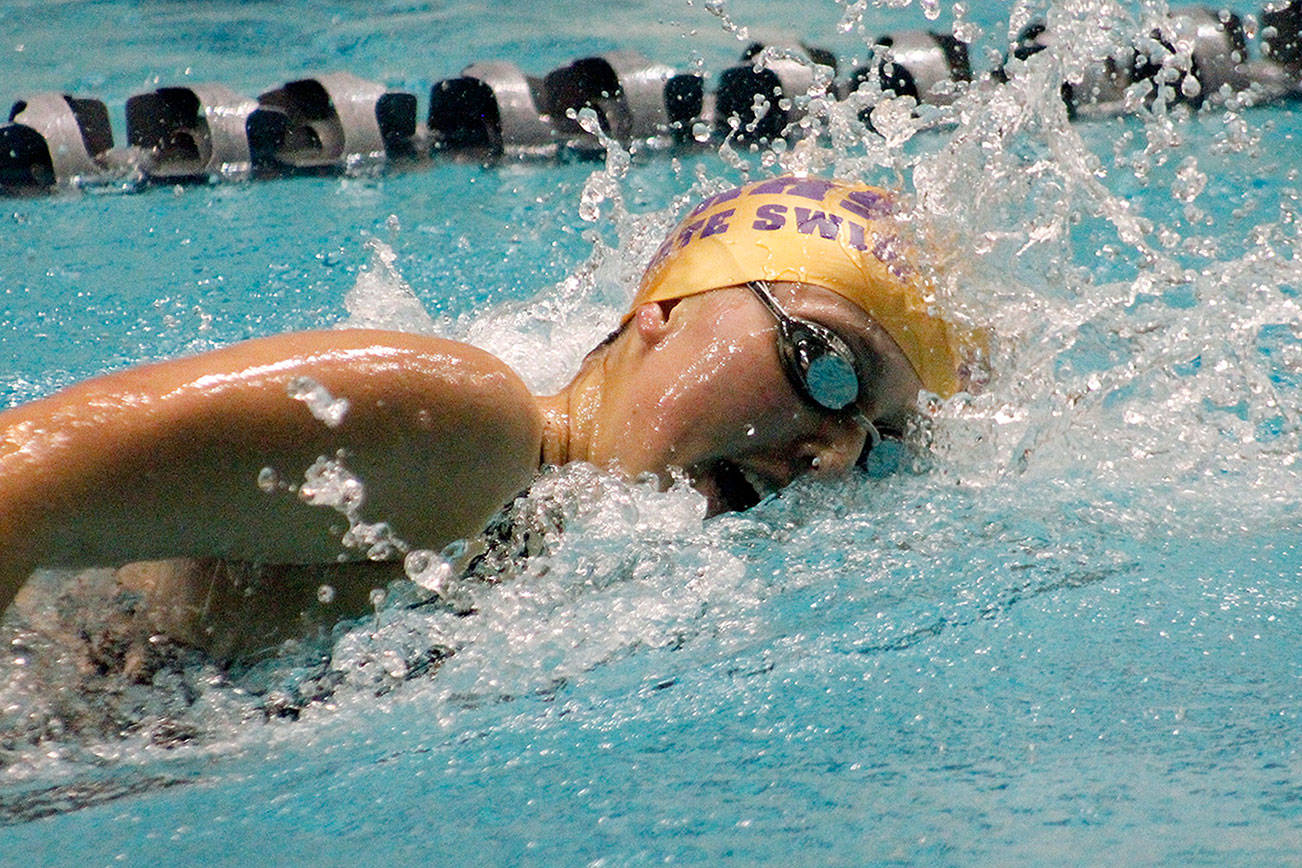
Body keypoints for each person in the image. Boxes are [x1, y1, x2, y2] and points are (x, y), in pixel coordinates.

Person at [0, 175, 978, 661]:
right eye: (829, 369)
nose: (831, 450)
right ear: (662, 311)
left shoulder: (537, 558)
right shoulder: (463, 427)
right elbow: (16, 480)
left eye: (879, 440)